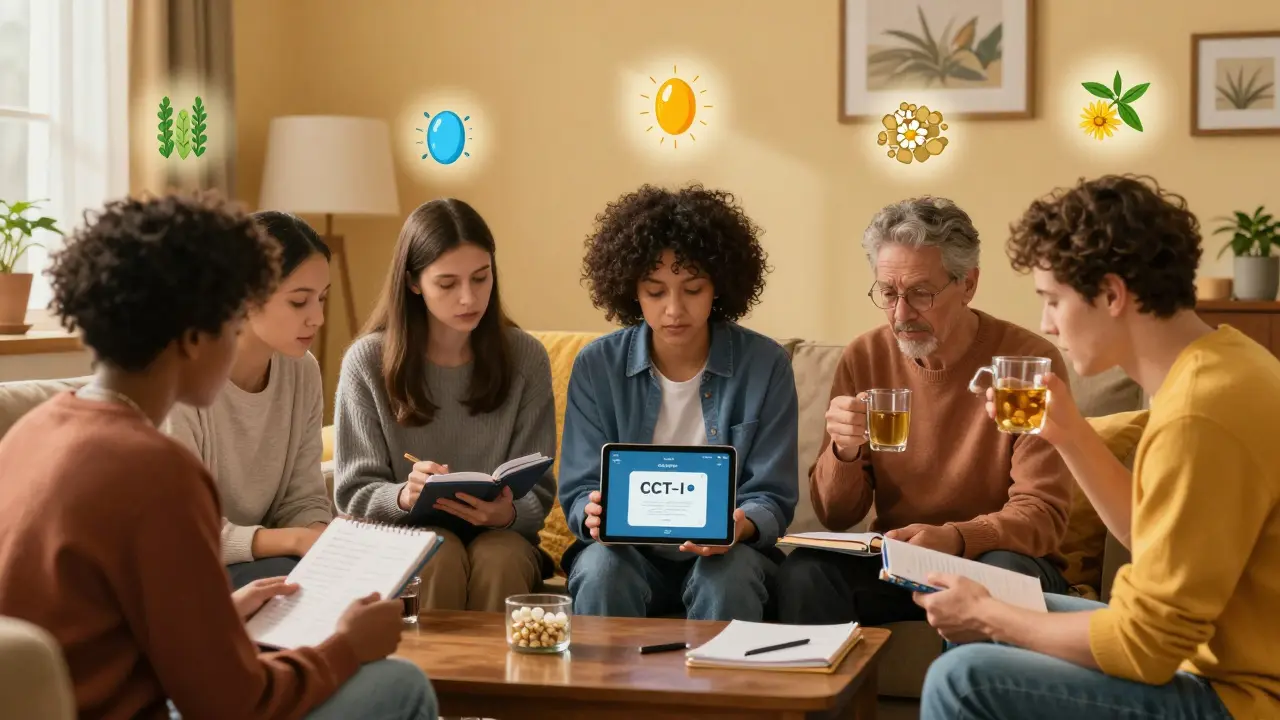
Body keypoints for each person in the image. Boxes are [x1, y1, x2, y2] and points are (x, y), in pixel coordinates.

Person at [0, 192, 435, 719]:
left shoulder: (30, 432)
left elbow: (107, 629)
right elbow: (231, 704)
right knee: (401, 683)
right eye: (232, 325)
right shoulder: (158, 472)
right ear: (193, 336)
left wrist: (221, 616)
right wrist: (347, 646)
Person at [915, 175, 1280, 720]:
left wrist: (989, 616)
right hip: (1208, 662)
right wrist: (1068, 434)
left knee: (963, 678)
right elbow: (1151, 535)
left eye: (1052, 300)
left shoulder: (1199, 413)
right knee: (989, 612)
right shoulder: (1222, 364)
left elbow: (1146, 646)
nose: (1045, 324)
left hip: (1241, 697)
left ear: (1112, 295)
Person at [777, 196, 1074, 627]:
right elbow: (837, 516)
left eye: (920, 293)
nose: (901, 313)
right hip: (900, 559)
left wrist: (955, 538)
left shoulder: (1027, 362)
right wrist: (842, 452)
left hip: (1002, 559)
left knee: (999, 569)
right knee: (806, 573)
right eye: (888, 293)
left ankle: (969, 674)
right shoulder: (865, 356)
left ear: (968, 284)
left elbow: (1042, 514)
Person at [558, 184, 799, 621]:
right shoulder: (596, 366)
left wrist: (740, 525)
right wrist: (590, 513)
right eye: (655, 292)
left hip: (728, 555)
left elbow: (772, 494)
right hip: (626, 554)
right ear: (631, 290)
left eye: (693, 289)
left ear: (718, 286)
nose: (674, 309)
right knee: (601, 570)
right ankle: (603, 672)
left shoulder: (766, 366)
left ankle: (719, 670)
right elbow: (579, 489)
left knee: (727, 576)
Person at [334, 198, 556, 612]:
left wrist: (506, 514)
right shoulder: (366, 362)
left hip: (504, 539)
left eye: (481, 278)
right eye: (447, 284)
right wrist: (404, 496)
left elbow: (539, 490)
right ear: (414, 282)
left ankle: (499, 662)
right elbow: (353, 492)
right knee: (437, 552)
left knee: (500, 558)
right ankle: (428, 661)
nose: (469, 298)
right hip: (404, 537)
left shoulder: (526, 358)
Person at [165, 210, 334, 589]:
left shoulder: (302, 371)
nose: (318, 318)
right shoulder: (180, 379)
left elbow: (303, 497)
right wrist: (293, 541)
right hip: (186, 566)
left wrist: (322, 539)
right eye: (299, 302)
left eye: (322, 298)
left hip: (267, 563)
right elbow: (181, 529)